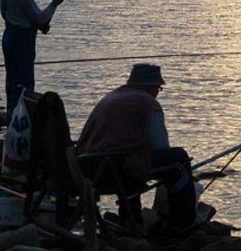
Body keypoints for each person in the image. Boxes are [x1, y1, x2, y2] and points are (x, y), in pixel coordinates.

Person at [77, 63, 198, 230]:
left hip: (88, 167)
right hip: (114, 170)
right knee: (178, 160)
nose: (158, 93)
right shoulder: (148, 103)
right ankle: (183, 222)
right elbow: (160, 147)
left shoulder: (112, 97)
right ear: (151, 87)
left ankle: (131, 220)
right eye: (158, 88)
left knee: (130, 157)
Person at [0, 0, 64, 117]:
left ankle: (12, 117)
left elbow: (11, 14)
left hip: (9, 38)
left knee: (12, 82)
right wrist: (55, 3)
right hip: (22, 42)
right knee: (24, 83)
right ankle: (22, 120)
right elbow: (40, 19)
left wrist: (35, 25)